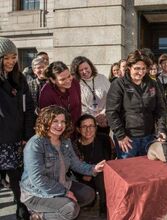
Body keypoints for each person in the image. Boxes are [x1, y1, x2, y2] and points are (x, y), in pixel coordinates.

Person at [20, 105, 105, 220]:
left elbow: (75, 163)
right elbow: (37, 179)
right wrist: (64, 192)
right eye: (55, 121)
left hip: (61, 183)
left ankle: (62, 210)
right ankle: (39, 216)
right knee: (70, 210)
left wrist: (94, 169)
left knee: (89, 194)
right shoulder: (35, 144)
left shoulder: (65, 140)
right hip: (36, 193)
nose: (60, 125)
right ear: (46, 122)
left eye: (63, 121)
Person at [106, 50, 166, 159]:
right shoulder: (119, 84)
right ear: (129, 67)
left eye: (143, 69)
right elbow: (111, 112)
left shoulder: (152, 84)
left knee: (148, 171)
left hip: (149, 137)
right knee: (128, 171)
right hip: (128, 139)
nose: (141, 72)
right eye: (137, 68)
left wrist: (161, 130)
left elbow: (160, 109)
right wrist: (120, 135)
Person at [0, 36, 35, 219]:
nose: (11, 61)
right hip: (1, 138)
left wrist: (27, 134)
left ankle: (21, 208)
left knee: (17, 177)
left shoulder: (20, 79)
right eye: (6, 58)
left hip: (16, 139)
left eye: (14, 57)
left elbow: (29, 108)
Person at [73, 114, 112, 217]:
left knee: (100, 174)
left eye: (91, 126)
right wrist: (83, 174)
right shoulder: (74, 145)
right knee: (89, 202)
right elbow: (72, 166)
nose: (88, 129)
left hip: (103, 177)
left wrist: (95, 171)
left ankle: (104, 206)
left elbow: (111, 157)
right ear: (78, 129)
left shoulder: (105, 139)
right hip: (85, 179)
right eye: (84, 126)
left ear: (96, 127)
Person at [70, 56, 110, 134]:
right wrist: (93, 117)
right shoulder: (75, 84)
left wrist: (104, 113)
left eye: (86, 68)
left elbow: (112, 98)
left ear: (91, 67)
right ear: (76, 72)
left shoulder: (102, 78)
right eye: (81, 70)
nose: (84, 71)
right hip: (87, 124)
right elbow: (77, 104)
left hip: (105, 120)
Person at [39, 61, 81, 126]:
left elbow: (79, 107)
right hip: (58, 130)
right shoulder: (46, 92)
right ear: (53, 80)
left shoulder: (75, 83)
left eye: (69, 76)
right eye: (62, 79)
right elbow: (47, 119)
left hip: (76, 127)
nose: (68, 81)